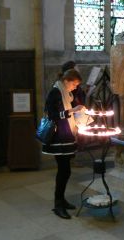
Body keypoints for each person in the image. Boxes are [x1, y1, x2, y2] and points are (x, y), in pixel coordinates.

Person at [43, 69, 85, 219]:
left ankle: (61, 200)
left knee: (65, 171)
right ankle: (58, 205)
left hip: (66, 136)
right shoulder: (55, 92)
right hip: (58, 138)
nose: (75, 87)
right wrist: (71, 111)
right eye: (74, 84)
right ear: (67, 81)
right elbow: (51, 115)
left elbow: (70, 110)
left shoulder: (67, 94)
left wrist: (79, 112)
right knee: (63, 171)